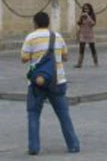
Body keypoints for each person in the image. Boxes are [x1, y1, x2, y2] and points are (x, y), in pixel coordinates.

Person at [20, 11, 80, 155]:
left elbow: (23, 58)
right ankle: (73, 145)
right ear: (48, 23)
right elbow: (65, 57)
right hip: (57, 80)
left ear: (35, 23)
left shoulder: (30, 37)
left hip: (37, 82)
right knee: (63, 114)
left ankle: (34, 147)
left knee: (33, 114)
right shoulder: (57, 36)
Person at [74, 3, 97, 69]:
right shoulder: (82, 15)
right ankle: (79, 63)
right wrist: (80, 19)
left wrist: (88, 17)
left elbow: (93, 24)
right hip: (83, 34)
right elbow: (79, 23)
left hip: (90, 34)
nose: (85, 10)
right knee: (81, 49)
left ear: (90, 9)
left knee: (92, 48)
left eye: (87, 8)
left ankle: (95, 61)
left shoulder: (92, 15)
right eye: (84, 8)